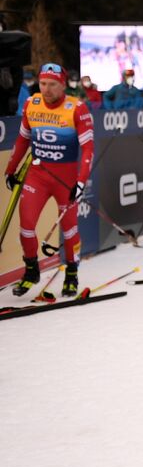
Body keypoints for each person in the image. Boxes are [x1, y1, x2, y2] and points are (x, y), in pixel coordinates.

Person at [4, 63, 93, 297]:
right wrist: (11, 170)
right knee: (26, 226)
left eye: (52, 84)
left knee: (69, 228)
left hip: (67, 180)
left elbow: (88, 149)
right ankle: (32, 270)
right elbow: (23, 140)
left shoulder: (77, 108)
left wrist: (81, 181)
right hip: (38, 176)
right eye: (43, 83)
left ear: (62, 85)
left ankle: (72, 273)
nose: (46, 89)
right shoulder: (31, 104)